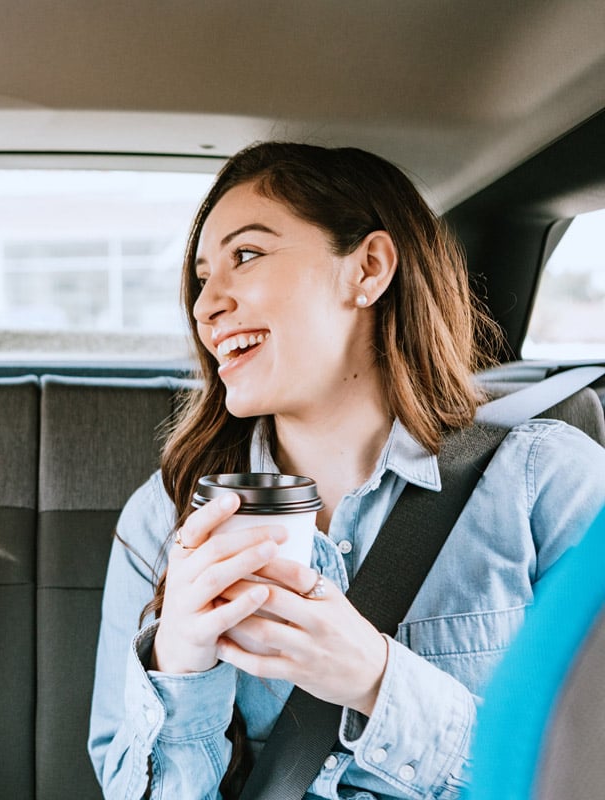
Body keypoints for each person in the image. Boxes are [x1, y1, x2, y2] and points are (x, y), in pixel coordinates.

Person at [87, 141, 605, 799]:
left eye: (245, 256)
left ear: (368, 268)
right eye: (200, 276)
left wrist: (377, 680)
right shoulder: (165, 516)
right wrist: (181, 669)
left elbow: (584, 770)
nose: (204, 304)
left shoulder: (554, 487)